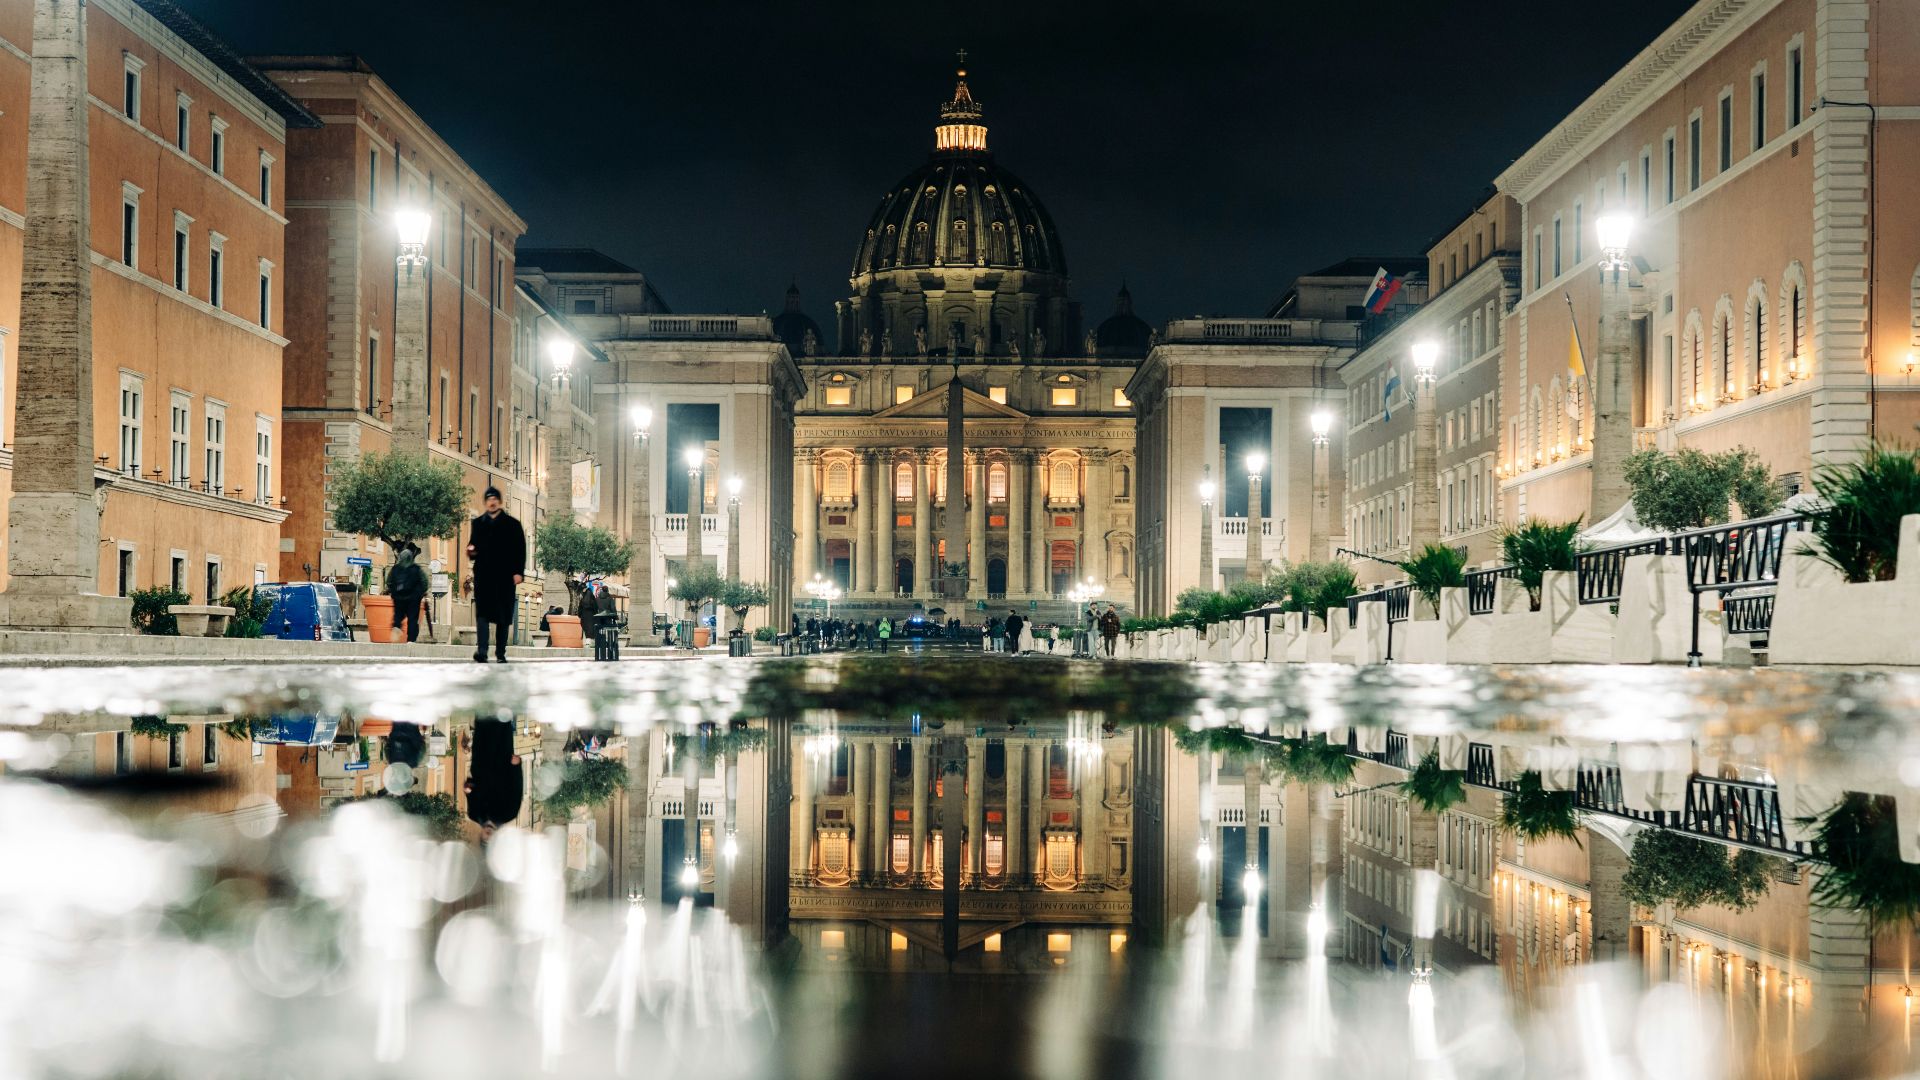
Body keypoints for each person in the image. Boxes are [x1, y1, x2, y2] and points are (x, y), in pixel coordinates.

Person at [466, 486, 526, 663]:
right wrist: (471, 551)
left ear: (499, 502)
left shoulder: (513, 524)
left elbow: (520, 550)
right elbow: (473, 545)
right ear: (486, 502)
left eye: (494, 499)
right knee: (482, 614)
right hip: (484, 577)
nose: (491, 502)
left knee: (503, 616)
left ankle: (500, 653)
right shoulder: (478, 523)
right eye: (488, 499)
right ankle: (482, 651)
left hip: (505, 577)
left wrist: (518, 572)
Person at [464, 717, 523, 839]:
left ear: (482, 837)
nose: (489, 836)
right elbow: (517, 788)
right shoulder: (509, 814)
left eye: (486, 840)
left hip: (481, 760)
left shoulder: (474, 814)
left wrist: (468, 788)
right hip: (502, 762)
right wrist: (517, 766)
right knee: (501, 723)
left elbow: (471, 791)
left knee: (482, 721)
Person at [384, 543, 428, 643]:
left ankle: (396, 626)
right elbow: (425, 582)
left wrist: (394, 591)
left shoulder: (395, 569)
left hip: (398, 598)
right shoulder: (416, 569)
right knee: (412, 619)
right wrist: (421, 592)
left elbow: (389, 581)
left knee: (398, 615)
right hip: (413, 599)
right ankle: (411, 640)